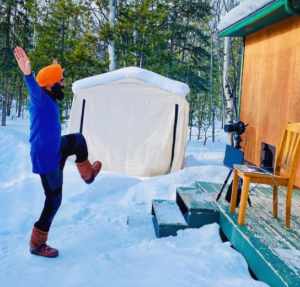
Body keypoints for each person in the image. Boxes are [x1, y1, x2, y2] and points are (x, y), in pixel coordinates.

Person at [14, 46, 102, 258]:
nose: (63, 84)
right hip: (45, 157)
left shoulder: (50, 94)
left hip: (56, 147)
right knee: (53, 201)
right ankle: (37, 244)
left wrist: (55, 71)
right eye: (60, 81)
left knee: (78, 140)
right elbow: (35, 87)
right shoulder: (39, 98)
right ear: (49, 86)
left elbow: (48, 84)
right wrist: (28, 74)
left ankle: (87, 175)